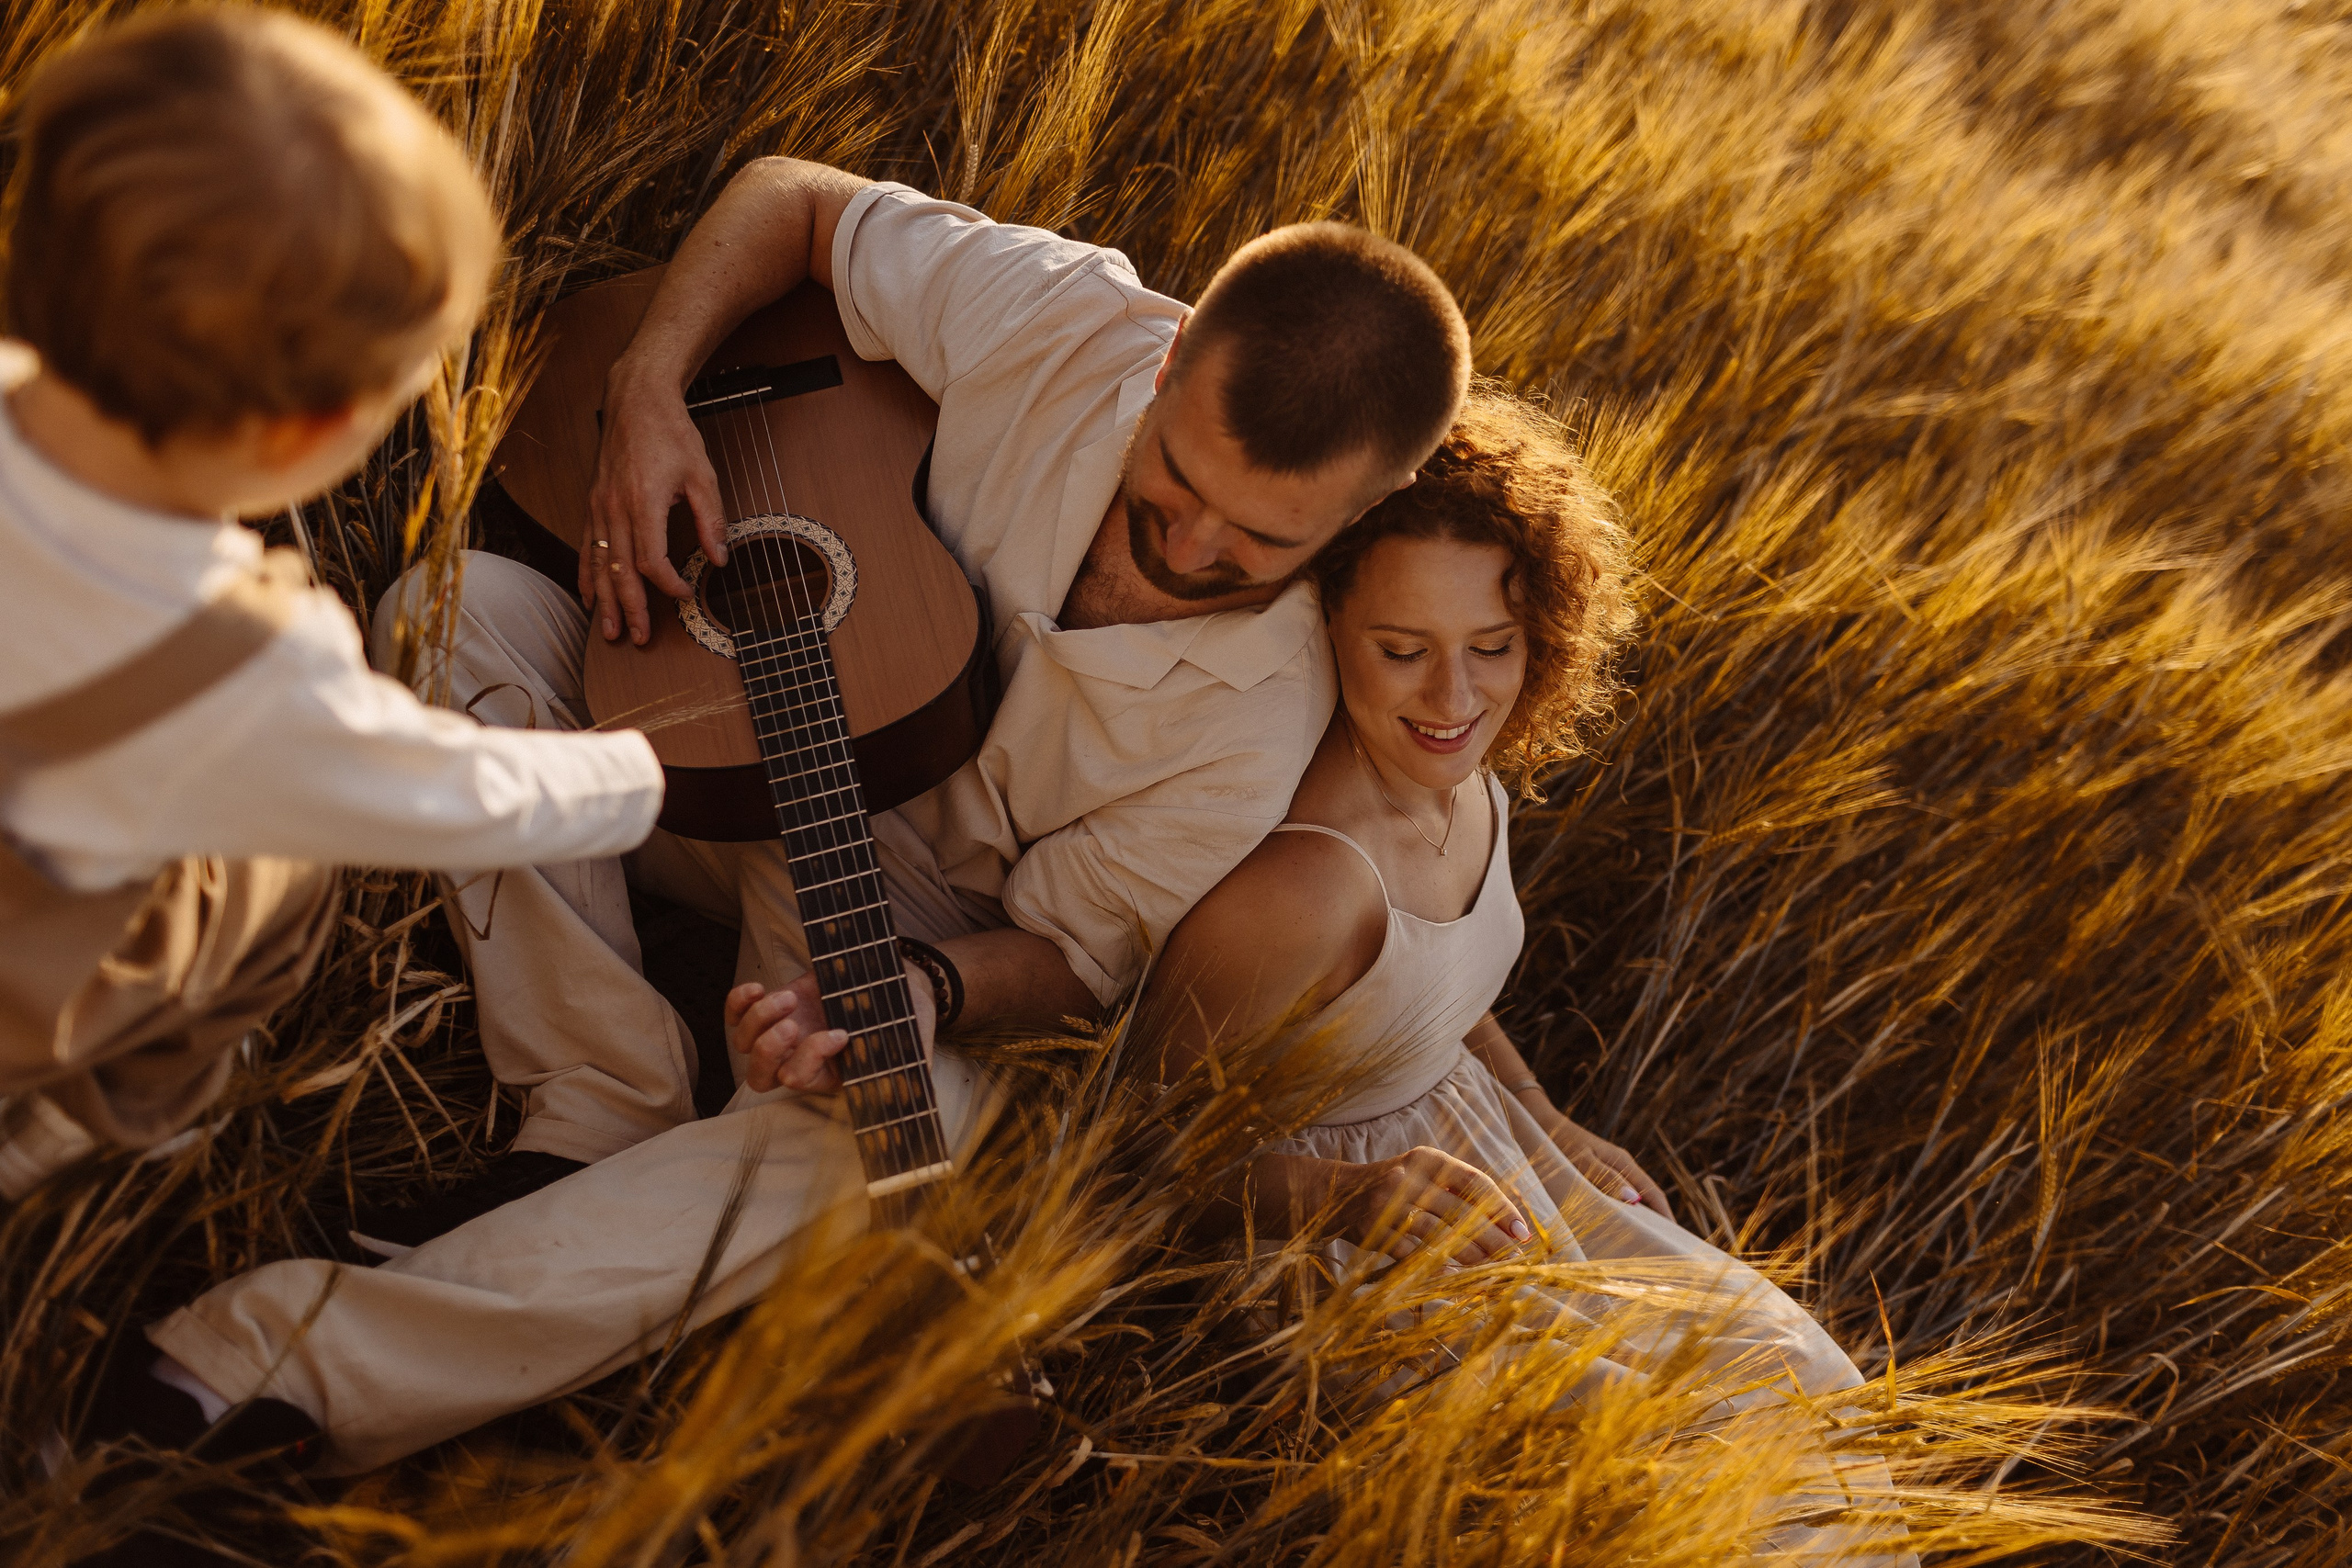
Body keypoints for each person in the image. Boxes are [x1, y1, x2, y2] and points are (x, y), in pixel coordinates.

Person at [96, 160, 1474, 1471]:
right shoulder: (1069, 320)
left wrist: (928, 987)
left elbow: (1075, 955)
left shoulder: (1263, 721)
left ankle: (269, 1367)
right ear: (1168, 362)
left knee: (894, 1122)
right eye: (1171, 481)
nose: (1185, 549)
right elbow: (800, 204)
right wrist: (651, 389)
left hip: (913, 923)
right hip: (724, 740)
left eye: (1256, 542)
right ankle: (599, 1103)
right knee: (453, 621)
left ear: (1370, 507)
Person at [1140, 389, 1913, 1564]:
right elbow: (1133, 1151)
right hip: (1354, 1266)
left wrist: (1546, 1115)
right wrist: (1347, 1201)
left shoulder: (1466, 784)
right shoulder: (1304, 885)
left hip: (1496, 1171)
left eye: (1491, 650)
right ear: (1326, 626)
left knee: (1801, 1381)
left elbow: (1426, 998)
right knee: (1701, 1496)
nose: (1453, 703)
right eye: (1402, 652)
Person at [0, 12, 665, 1207]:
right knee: (275, 885)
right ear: (308, 435)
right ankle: (85, 1124)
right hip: (24, 973)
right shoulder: (244, 667)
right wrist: (635, 772)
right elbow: (449, 794)